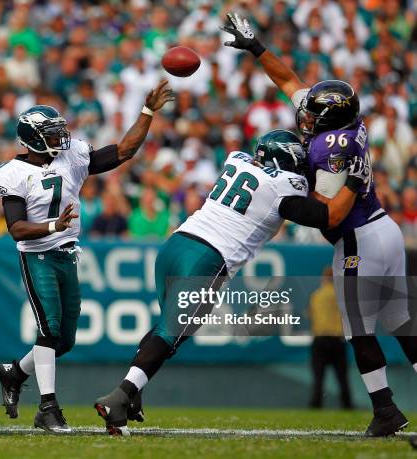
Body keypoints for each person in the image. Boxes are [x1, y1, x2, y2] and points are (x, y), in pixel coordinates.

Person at [94, 129, 369, 436]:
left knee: (168, 330)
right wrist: (355, 181)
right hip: (207, 257)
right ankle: (119, 396)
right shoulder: (282, 184)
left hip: (175, 246)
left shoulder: (236, 161)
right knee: (171, 332)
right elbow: (328, 216)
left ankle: (132, 394)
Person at [222, 11, 416, 436]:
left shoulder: (331, 146)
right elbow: (289, 82)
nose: (303, 117)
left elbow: (331, 212)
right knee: (401, 319)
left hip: (358, 237)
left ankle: (385, 409)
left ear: (329, 120)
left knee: (359, 329)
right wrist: (256, 47)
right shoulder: (342, 125)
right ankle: (385, 408)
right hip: (385, 229)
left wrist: (284, 190)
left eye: (312, 115)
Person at [0, 81, 174, 434]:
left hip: (67, 254)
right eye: (51, 133)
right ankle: (47, 408)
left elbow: (123, 151)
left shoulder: (72, 154)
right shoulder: (12, 174)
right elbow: (16, 229)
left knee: (65, 341)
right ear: (32, 138)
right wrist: (51, 225)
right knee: (49, 330)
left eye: (60, 130)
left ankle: (13, 373)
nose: (61, 137)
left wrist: (147, 112)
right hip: (37, 255)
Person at [308, 266, 353, 409]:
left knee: (318, 376)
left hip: (320, 339)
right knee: (342, 377)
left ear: (324, 278)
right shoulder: (341, 295)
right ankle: (347, 404)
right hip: (337, 340)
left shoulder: (316, 295)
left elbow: (311, 314)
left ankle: (316, 403)